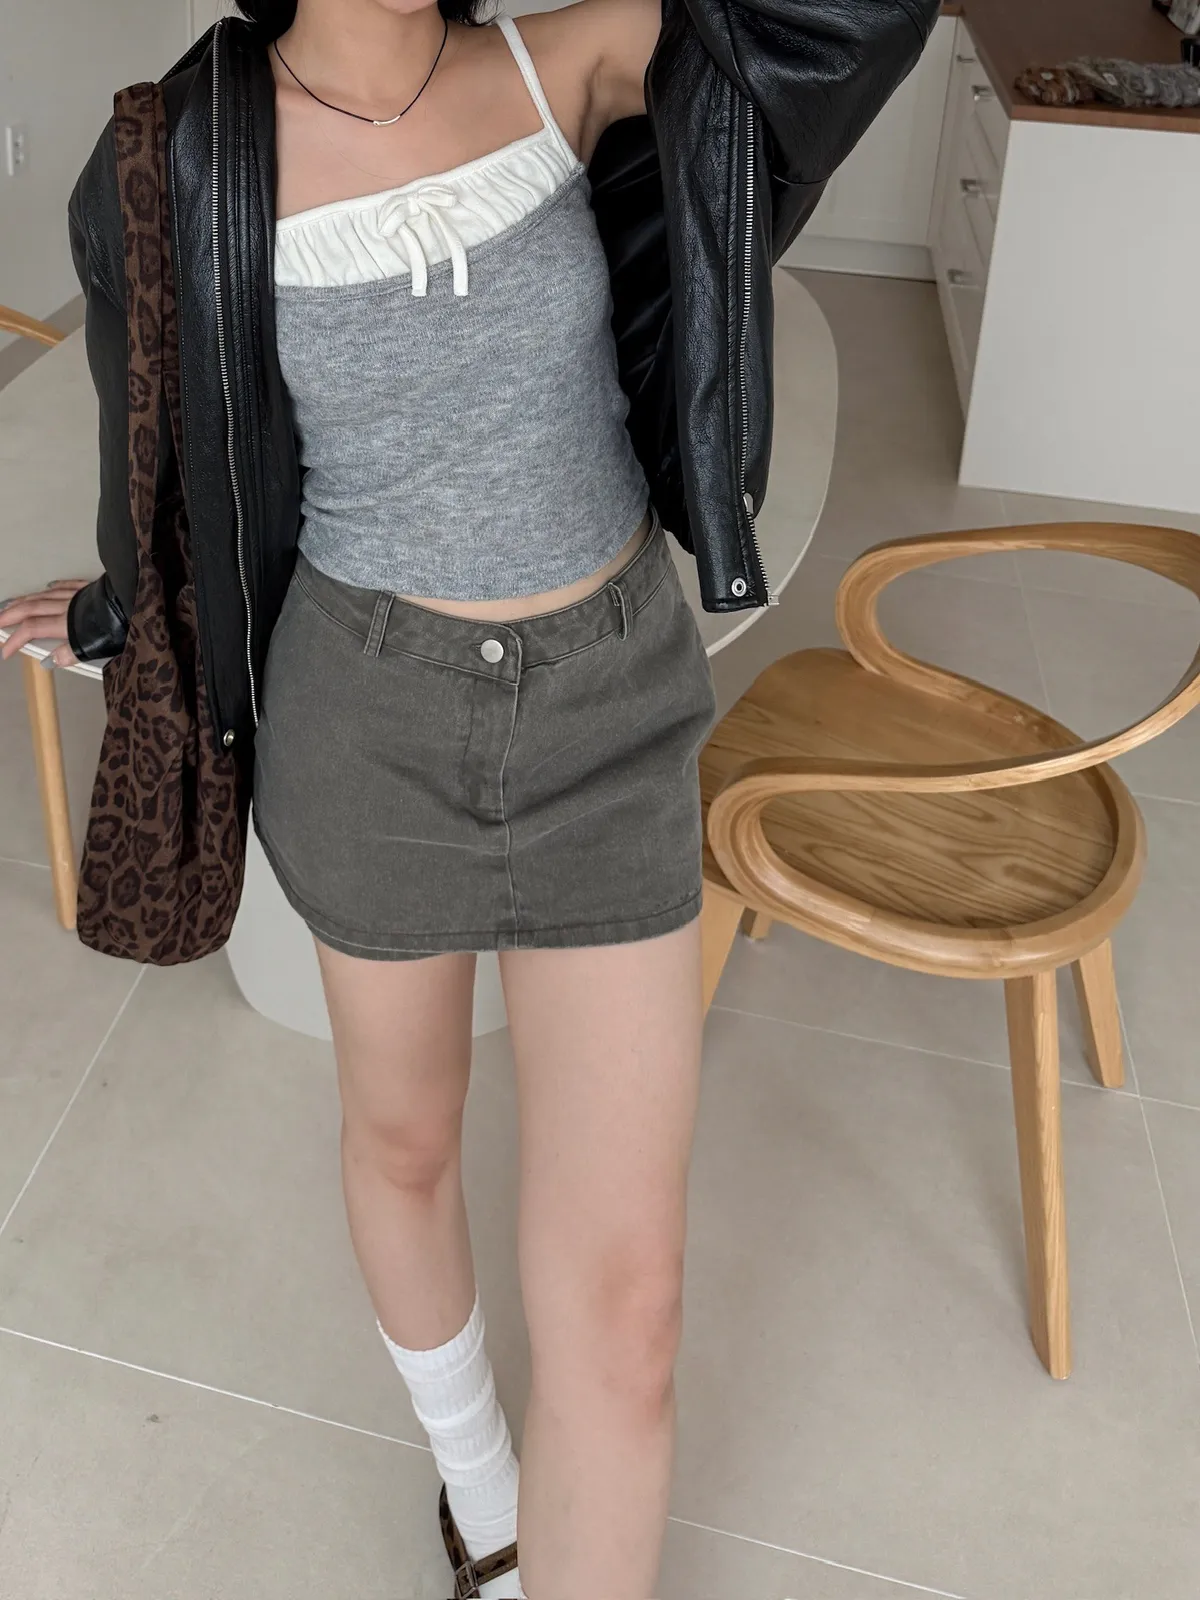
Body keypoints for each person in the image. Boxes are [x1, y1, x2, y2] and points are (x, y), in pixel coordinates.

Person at [0, 2, 937, 1593]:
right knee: (406, 1140)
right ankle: (484, 1496)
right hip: (369, 723)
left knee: (630, 1309)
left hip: (612, 708)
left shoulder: (568, 56)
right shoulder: (185, 148)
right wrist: (121, 606)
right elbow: (161, 437)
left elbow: (846, 20)